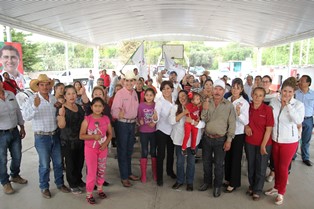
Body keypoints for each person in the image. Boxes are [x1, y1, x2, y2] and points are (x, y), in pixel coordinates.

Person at [22, 74, 70, 199]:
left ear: (49, 86)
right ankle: (44, 187)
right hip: (41, 137)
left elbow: (56, 114)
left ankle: (60, 183)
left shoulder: (53, 99)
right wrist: (35, 106)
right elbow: (26, 117)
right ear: (37, 87)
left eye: (46, 84)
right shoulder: (31, 99)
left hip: (54, 134)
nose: (44, 87)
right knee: (44, 164)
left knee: (59, 162)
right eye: (41, 85)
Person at [265, 77, 304, 205]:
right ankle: (276, 187)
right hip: (276, 139)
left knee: (283, 167)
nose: (286, 94)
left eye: (290, 92)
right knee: (276, 166)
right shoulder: (274, 102)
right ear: (280, 91)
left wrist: (287, 105)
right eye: (284, 91)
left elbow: (298, 120)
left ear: (294, 93)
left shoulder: (298, 105)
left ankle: (281, 192)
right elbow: (269, 117)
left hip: (289, 141)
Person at [200, 79, 236, 197]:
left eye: (220, 89)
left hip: (221, 139)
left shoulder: (229, 105)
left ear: (224, 91)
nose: (217, 91)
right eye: (216, 88)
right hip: (207, 138)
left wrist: (229, 140)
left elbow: (232, 124)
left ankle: (217, 186)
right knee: (206, 162)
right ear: (212, 89)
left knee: (219, 164)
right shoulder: (207, 102)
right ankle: (207, 182)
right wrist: (204, 108)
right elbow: (203, 119)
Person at [169, 90, 205, 191]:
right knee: (180, 162)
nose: (182, 98)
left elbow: (202, 124)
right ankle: (180, 180)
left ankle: (190, 182)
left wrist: (193, 121)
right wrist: (184, 112)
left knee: (191, 162)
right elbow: (171, 121)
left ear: (189, 98)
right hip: (180, 141)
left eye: (184, 96)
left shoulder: (197, 108)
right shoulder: (175, 108)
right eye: (180, 97)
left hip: (193, 141)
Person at [79, 97, 112, 204]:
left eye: (100, 106)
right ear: (92, 107)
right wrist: (93, 137)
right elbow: (81, 136)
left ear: (103, 108)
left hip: (102, 149)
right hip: (90, 150)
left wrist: (105, 144)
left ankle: (100, 189)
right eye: (95, 106)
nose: (98, 108)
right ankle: (89, 194)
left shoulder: (106, 119)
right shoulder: (87, 119)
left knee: (101, 170)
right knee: (92, 172)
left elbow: (110, 134)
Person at [244, 87, 274, 201]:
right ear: (252, 95)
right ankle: (252, 186)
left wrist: (263, 145)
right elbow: (242, 120)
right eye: (255, 94)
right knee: (251, 166)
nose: (257, 97)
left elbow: (269, 129)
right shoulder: (248, 108)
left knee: (261, 168)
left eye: (260, 95)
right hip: (249, 142)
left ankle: (257, 190)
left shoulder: (267, 109)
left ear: (263, 97)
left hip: (264, 143)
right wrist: (246, 126)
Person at [111, 70, 140, 187]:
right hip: (122, 124)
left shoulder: (134, 93)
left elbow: (136, 109)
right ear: (124, 81)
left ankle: (128, 173)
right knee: (123, 151)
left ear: (134, 81)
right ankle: (124, 176)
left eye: (131, 80)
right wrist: (119, 114)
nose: (129, 83)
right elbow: (114, 110)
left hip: (132, 124)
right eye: (127, 80)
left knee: (129, 150)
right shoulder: (120, 94)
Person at [0, 75, 27, 194]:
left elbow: (18, 111)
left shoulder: (10, 94)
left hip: (14, 130)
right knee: (2, 159)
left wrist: (22, 126)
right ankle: (5, 182)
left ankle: (15, 175)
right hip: (1, 134)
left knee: (17, 156)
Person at [57, 85, 85, 194]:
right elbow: (61, 125)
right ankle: (73, 184)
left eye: (73, 93)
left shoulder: (79, 107)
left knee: (80, 162)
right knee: (70, 164)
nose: (71, 96)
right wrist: (62, 116)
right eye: (68, 94)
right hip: (68, 141)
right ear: (64, 96)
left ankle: (79, 180)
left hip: (80, 140)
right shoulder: (62, 108)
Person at [224, 78, 249, 192]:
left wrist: (238, 114)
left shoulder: (244, 103)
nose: (234, 90)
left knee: (235, 158)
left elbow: (246, 121)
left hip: (238, 133)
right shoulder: (227, 99)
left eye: (237, 88)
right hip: (227, 132)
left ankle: (234, 183)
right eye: (233, 87)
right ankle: (228, 178)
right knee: (227, 156)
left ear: (241, 89)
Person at [154, 80, 176, 186]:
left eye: (168, 88)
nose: (166, 91)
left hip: (173, 131)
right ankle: (159, 177)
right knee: (161, 154)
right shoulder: (159, 102)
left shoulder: (176, 100)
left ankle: (170, 171)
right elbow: (156, 116)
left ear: (172, 89)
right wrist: (154, 118)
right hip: (162, 131)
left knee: (171, 153)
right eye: (163, 89)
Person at [137, 88, 157, 183]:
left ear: (154, 96)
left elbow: (158, 117)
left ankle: (155, 173)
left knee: (153, 151)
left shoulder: (156, 105)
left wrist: (154, 122)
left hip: (153, 131)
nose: (149, 97)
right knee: (144, 151)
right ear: (144, 96)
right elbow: (139, 116)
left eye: (151, 95)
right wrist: (140, 121)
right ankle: (143, 175)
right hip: (143, 131)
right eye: (147, 95)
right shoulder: (141, 105)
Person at [295, 75, 314, 166]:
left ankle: (305, 157)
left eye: (302, 81)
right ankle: (292, 155)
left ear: (308, 83)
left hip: (308, 119)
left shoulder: (313, 94)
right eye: (300, 81)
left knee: (306, 140)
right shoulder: (295, 93)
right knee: (295, 138)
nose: (300, 83)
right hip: (297, 120)